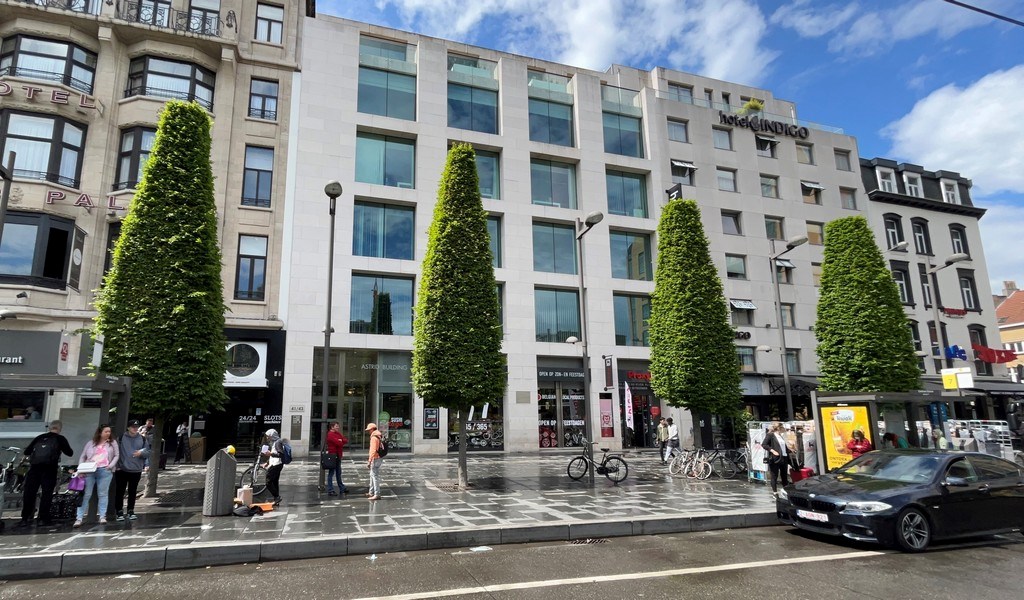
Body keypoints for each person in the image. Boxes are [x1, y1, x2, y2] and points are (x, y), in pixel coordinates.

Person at [16, 420, 74, 527]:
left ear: (50, 428)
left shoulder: (40, 437)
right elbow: (70, 453)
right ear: (60, 428)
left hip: (34, 469)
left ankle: (25, 518)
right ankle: (43, 518)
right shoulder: (60, 438)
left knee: (29, 493)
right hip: (49, 469)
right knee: (46, 494)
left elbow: (27, 452)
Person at [74, 424, 120, 527]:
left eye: (109, 432)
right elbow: (83, 456)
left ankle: (102, 516)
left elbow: (117, 455)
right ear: (100, 432)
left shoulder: (112, 443)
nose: (108, 433)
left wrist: (111, 466)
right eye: (106, 431)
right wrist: (81, 469)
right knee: (86, 494)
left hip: (105, 470)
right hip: (89, 470)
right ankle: (79, 518)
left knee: (103, 494)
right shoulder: (91, 443)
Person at [115, 420, 150, 521]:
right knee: (120, 491)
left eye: (136, 426)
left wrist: (141, 453)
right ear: (128, 428)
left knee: (132, 491)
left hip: (136, 469)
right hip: (122, 469)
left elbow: (148, 452)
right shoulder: (121, 438)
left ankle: (130, 510)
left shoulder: (142, 439)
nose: (135, 428)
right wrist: (117, 466)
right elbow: (116, 452)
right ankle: (119, 511)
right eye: (132, 426)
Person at [762, 423, 790, 494]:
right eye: (782, 427)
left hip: (784, 457)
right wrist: (773, 451)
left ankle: (785, 491)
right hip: (775, 458)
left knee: (784, 475)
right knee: (774, 475)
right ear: (779, 428)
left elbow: (783, 447)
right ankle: (775, 492)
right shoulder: (771, 435)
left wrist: (790, 450)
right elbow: (764, 444)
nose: (784, 428)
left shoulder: (780, 436)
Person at [261, 428, 285, 505]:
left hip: (276, 465)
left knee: (268, 482)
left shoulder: (278, 442)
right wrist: (267, 463)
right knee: (274, 482)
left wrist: (270, 454)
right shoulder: (275, 442)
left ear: (272, 435)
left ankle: (277, 497)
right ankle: (276, 499)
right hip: (276, 464)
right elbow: (274, 453)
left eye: (268, 436)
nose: (267, 438)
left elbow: (280, 454)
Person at [324, 421, 349, 496]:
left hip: (338, 455)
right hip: (333, 456)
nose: (338, 427)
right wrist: (340, 441)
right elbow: (339, 443)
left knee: (338, 472)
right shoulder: (330, 434)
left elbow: (345, 440)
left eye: (338, 426)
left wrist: (340, 440)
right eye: (336, 426)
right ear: (332, 427)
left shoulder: (337, 434)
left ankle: (342, 487)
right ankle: (330, 490)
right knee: (331, 473)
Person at [366, 422, 384, 501]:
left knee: (374, 476)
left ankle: (377, 494)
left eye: (369, 430)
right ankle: (371, 491)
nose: (368, 431)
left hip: (375, 458)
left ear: (372, 429)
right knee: (372, 475)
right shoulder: (379, 435)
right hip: (379, 457)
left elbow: (372, 450)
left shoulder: (374, 438)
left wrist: (369, 461)